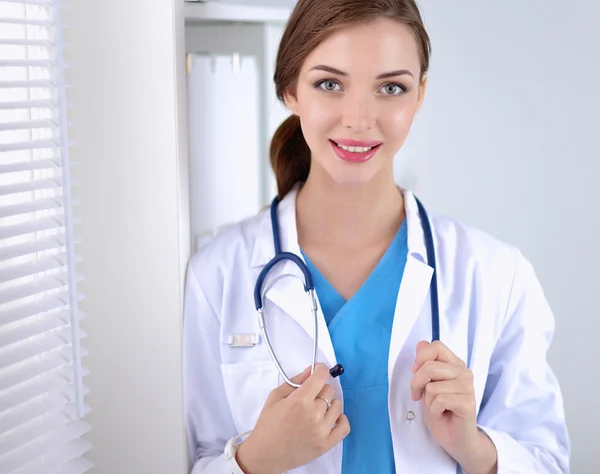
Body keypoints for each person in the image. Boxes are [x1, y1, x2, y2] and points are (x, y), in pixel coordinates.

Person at [182, 0, 571, 473]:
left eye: (391, 87)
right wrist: (256, 460)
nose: (359, 119)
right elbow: (187, 457)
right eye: (330, 84)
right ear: (290, 90)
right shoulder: (216, 275)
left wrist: (475, 447)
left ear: (420, 94)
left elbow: (548, 461)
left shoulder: (495, 274)